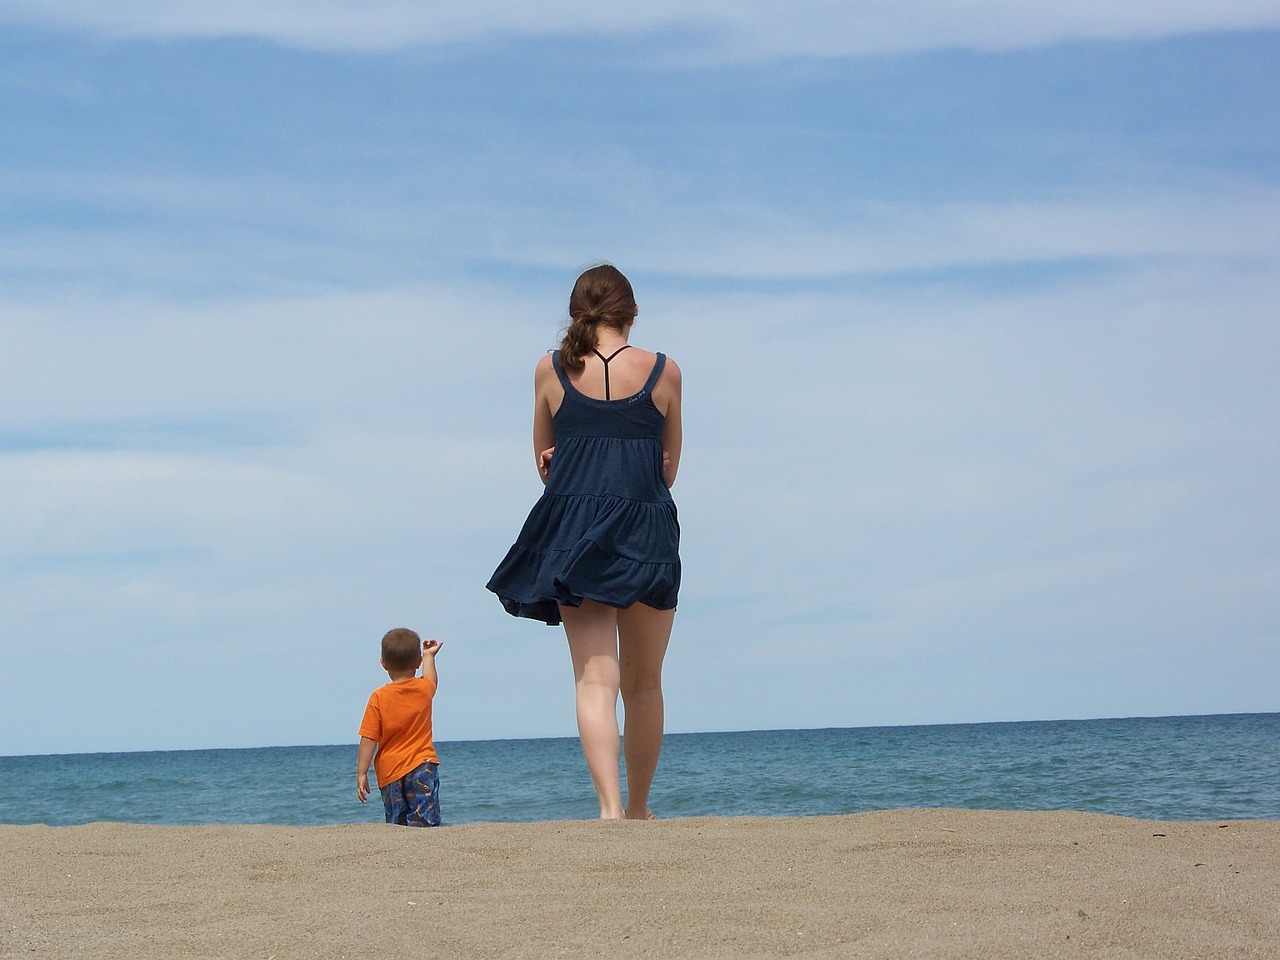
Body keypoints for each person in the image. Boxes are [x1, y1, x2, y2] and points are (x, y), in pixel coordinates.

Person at [487, 263, 682, 821]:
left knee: (595, 678)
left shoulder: (549, 371)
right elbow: (668, 473)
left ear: (576, 312)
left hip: (574, 531)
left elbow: (544, 464)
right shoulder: (665, 372)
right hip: (644, 528)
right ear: (632, 312)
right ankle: (642, 809)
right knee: (645, 683)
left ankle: (610, 811)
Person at [356, 628, 444, 827]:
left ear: (383, 664)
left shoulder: (378, 697)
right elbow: (432, 678)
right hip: (423, 765)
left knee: (397, 823)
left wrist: (362, 772)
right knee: (425, 820)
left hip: (390, 770)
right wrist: (429, 655)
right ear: (418, 663)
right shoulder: (423, 689)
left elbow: (369, 738)